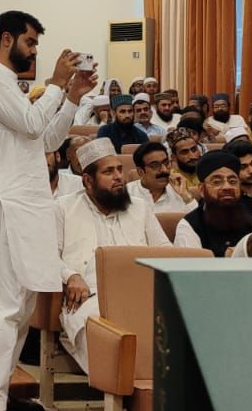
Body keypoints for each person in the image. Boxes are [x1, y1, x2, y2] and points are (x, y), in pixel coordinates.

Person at [0, 9, 96, 411]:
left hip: (27, 208)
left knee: (20, 309)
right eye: (30, 42)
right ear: (7, 40)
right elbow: (33, 122)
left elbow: (47, 140)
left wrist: (72, 96)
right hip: (0, 209)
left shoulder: (12, 87)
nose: (35, 51)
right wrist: (57, 83)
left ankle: (0, 395)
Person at [53, 139, 168, 372]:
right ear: (88, 180)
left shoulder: (139, 207)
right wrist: (71, 275)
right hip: (88, 296)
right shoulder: (62, 208)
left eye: (119, 170)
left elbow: (166, 251)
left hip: (140, 292)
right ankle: (122, 385)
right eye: (108, 172)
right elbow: (47, 256)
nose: (118, 177)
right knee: (105, 335)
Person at [175, 151, 252, 256]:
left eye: (232, 181)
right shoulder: (189, 227)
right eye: (217, 182)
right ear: (202, 189)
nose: (227, 187)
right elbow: (193, 266)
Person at [133, 140, 193, 210]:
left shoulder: (179, 191)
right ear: (140, 172)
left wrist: (186, 196)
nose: (164, 170)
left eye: (166, 163)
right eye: (155, 165)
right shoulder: (127, 194)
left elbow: (197, 216)